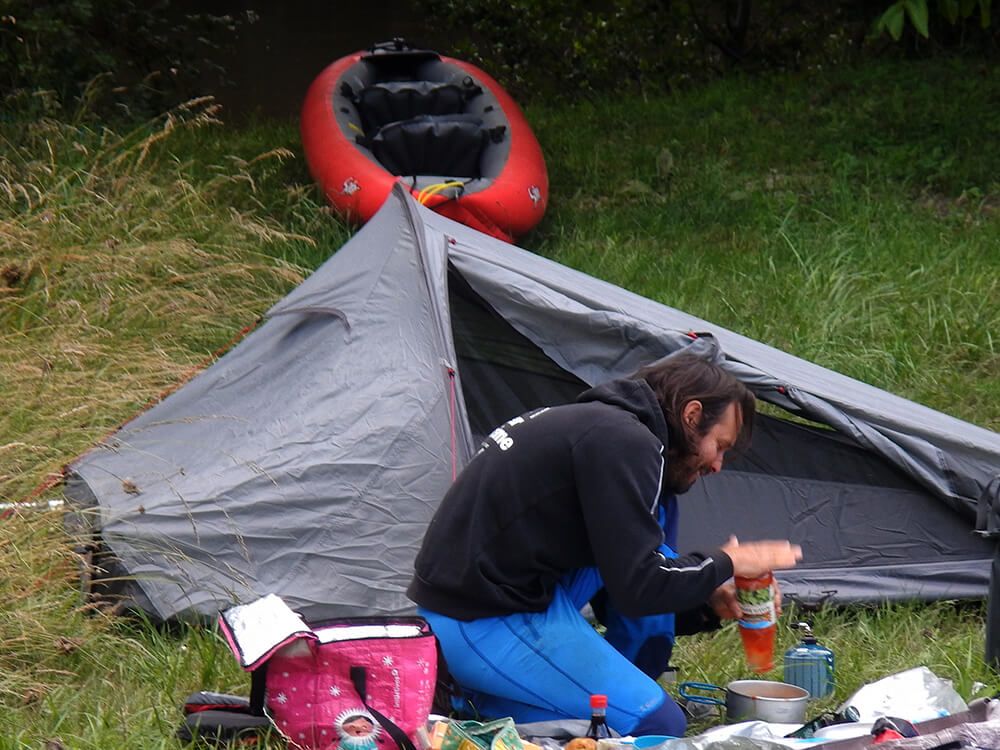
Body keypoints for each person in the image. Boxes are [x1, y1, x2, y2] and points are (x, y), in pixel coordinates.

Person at [407, 350, 802, 737]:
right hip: (483, 620)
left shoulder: (602, 429)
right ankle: (469, 708)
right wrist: (728, 561)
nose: (718, 464)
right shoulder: (627, 443)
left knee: (650, 531)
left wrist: (707, 597)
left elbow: (625, 568)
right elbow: (639, 587)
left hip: (482, 605)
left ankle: (478, 696)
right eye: (721, 446)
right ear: (692, 415)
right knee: (655, 723)